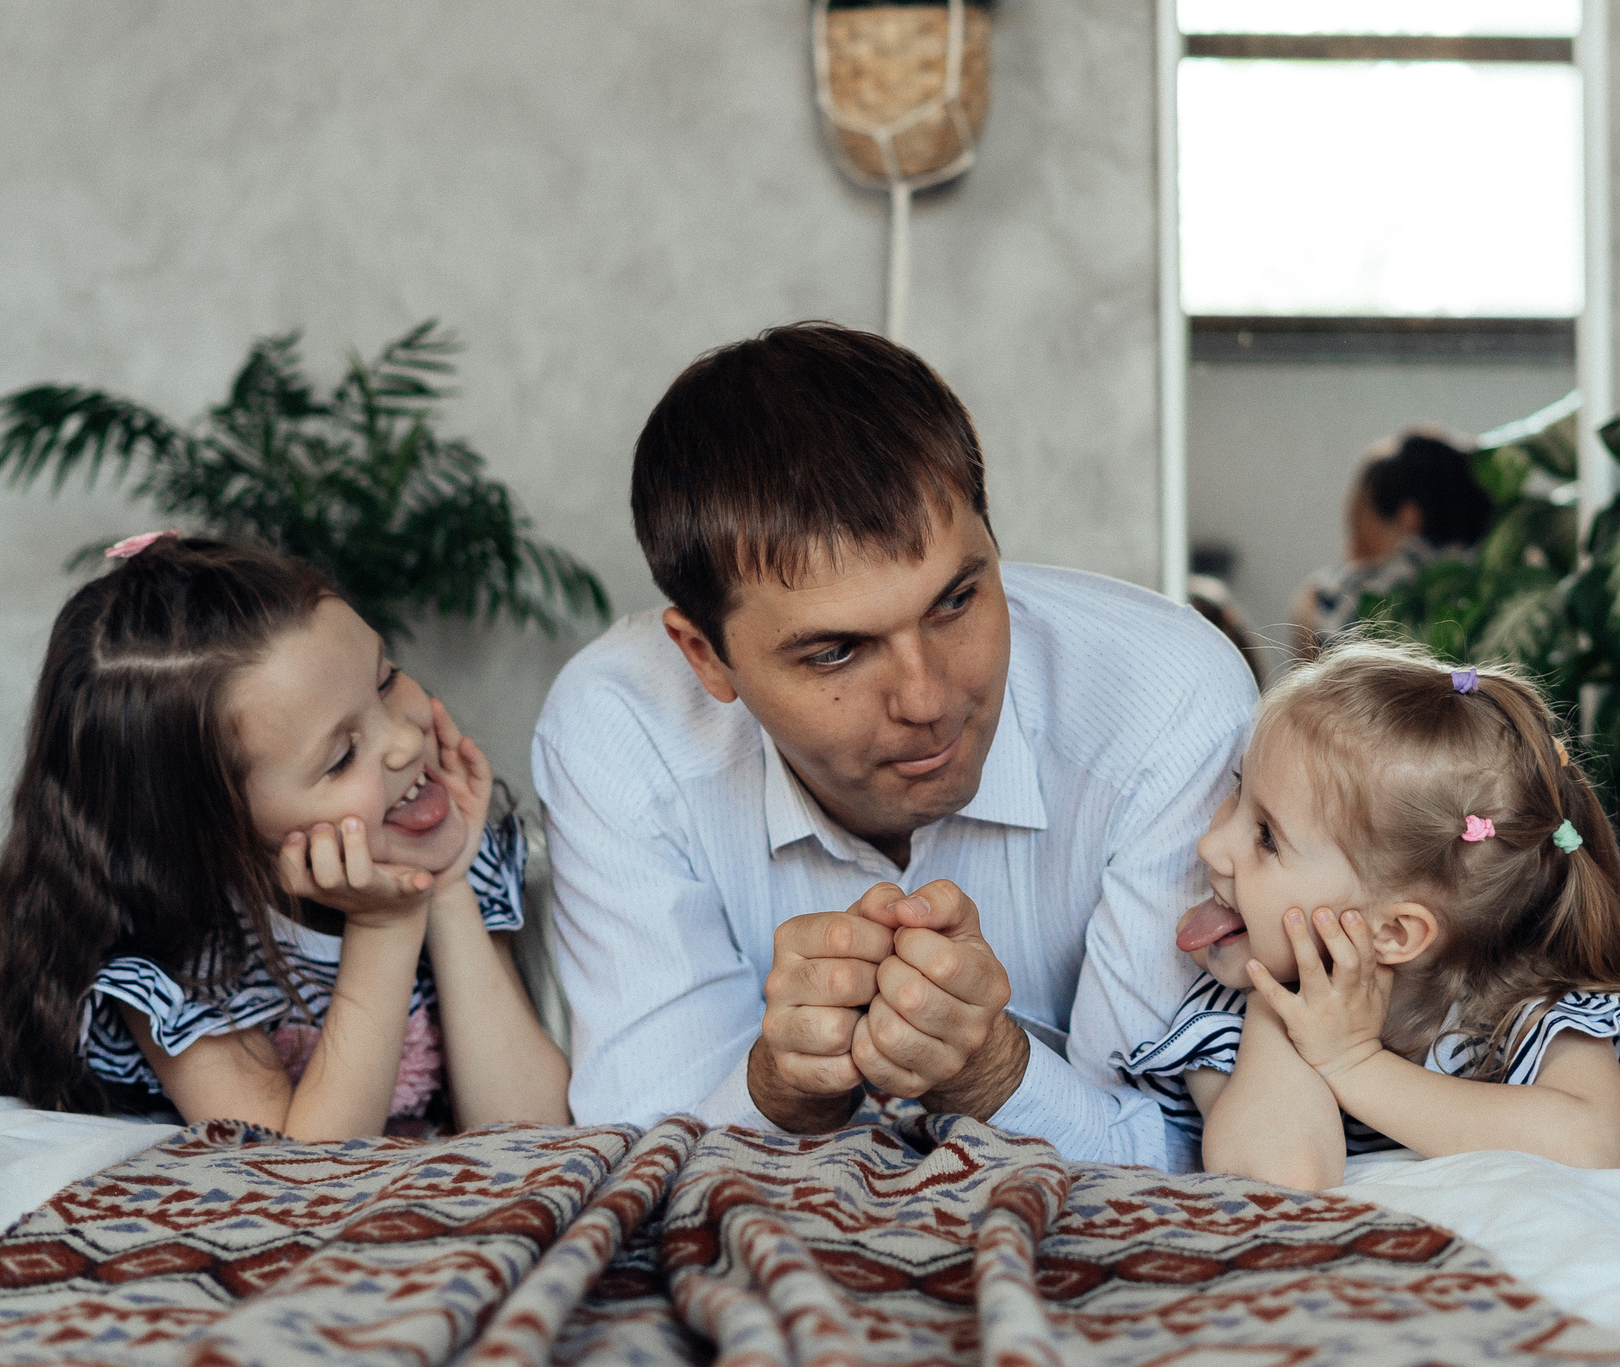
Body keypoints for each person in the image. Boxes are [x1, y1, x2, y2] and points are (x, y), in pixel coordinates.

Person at [534, 323, 1255, 1167]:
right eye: (836, 650)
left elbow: (1203, 1145)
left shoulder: (1167, 699)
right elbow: (637, 1151)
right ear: (706, 656)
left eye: (955, 600)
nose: (928, 697)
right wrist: (775, 1092)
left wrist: (995, 1076)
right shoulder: (618, 729)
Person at [0, 536, 571, 1137]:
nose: (406, 743)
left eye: (386, 680)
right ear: (218, 832)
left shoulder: (450, 854)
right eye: (341, 757)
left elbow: (529, 1133)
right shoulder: (178, 960)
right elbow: (298, 1178)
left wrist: (446, 884)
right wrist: (385, 927)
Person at [1120, 642, 1620, 1187]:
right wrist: (1280, 1016)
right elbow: (1281, 1176)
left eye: (1266, 838)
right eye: (1238, 790)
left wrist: (1354, 1064)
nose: (1211, 846)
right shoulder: (1234, 1019)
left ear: (1393, 932)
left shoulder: (1533, 1012)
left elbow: (1591, 1147)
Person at [1289, 428, 1494, 661]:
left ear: (1409, 517)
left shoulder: (1332, 596)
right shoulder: (1499, 587)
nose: (1350, 545)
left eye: (1357, 521)